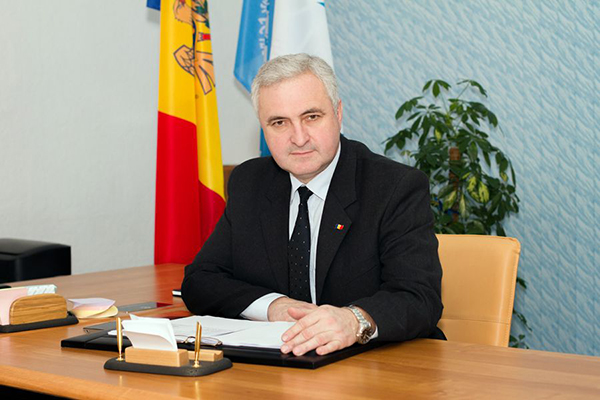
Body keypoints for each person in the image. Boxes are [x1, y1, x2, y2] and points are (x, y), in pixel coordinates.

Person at [182, 53, 444, 357]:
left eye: (311, 117)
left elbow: (419, 297)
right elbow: (200, 280)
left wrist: (354, 320)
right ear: (263, 128)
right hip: (282, 364)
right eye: (279, 122)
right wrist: (273, 306)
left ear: (338, 113)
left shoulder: (394, 187)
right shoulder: (250, 182)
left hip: (378, 364)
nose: (298, 138)